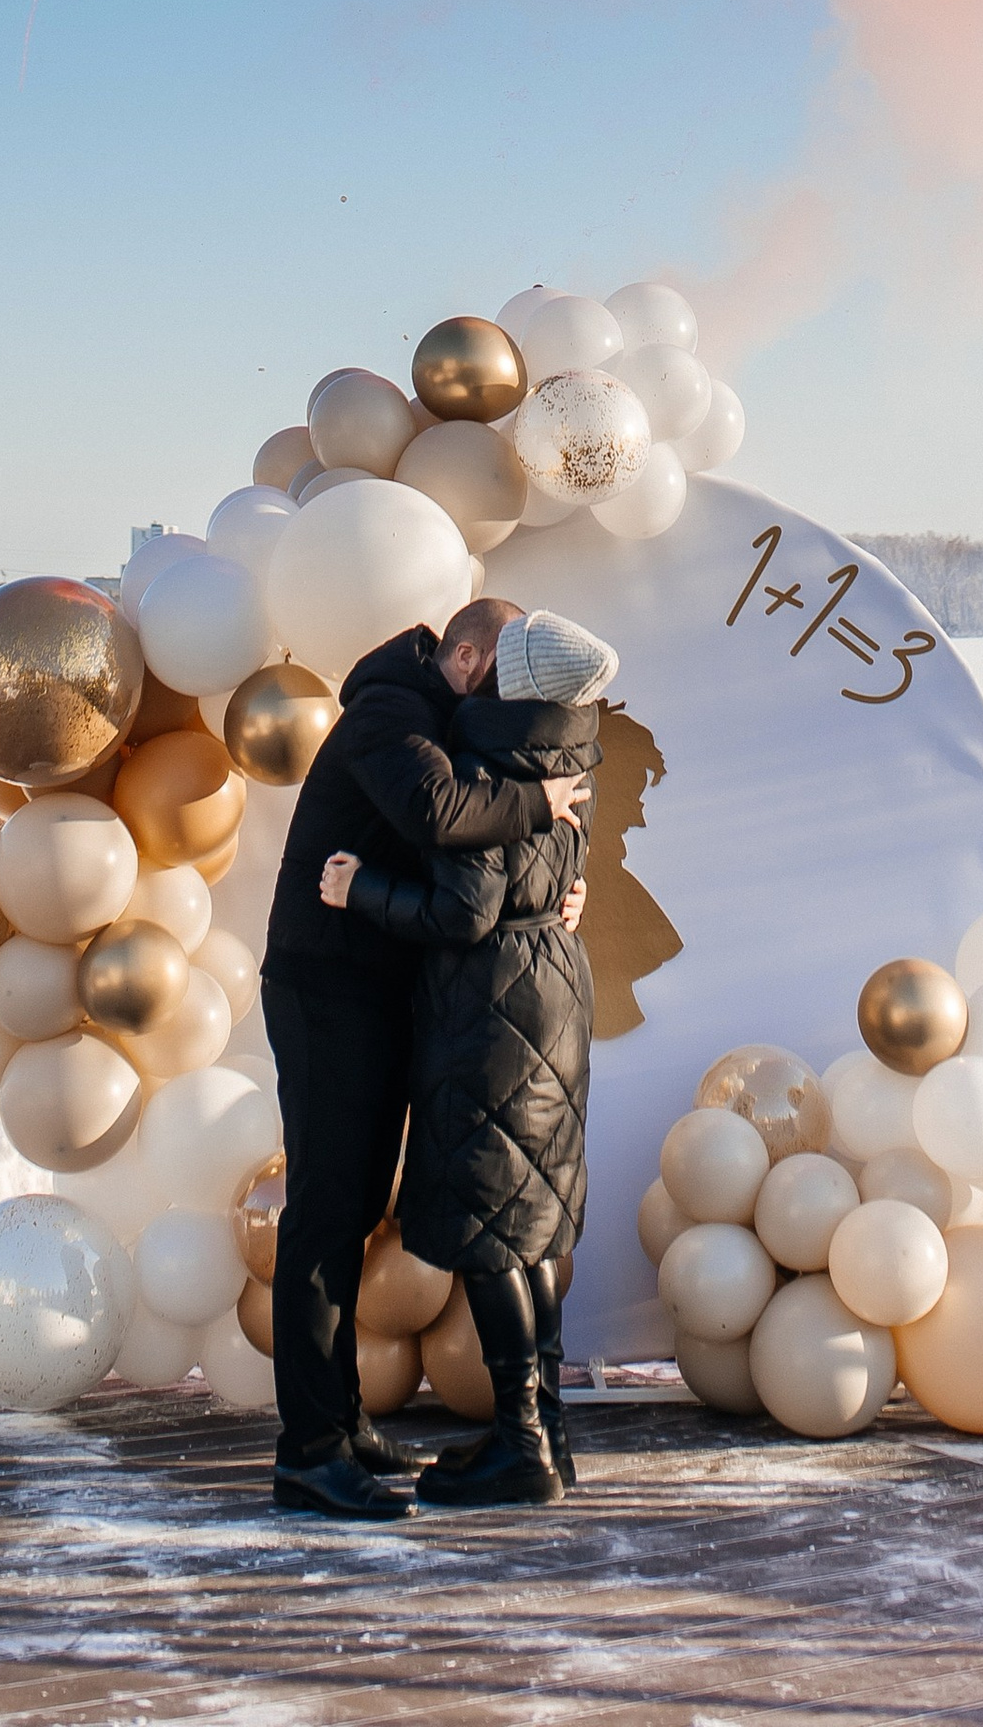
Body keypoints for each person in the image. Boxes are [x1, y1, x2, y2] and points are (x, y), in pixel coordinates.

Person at [259, 593, 585, 1522]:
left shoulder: (450, 720)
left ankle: (341, 1421)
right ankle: (310, 1455)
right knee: (325, 1215)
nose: (510, 693)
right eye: (503, 671)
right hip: (326, 988)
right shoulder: (391, 712)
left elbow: (480, 862)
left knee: (359, 1210)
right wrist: (539, 803)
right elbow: (441, 812)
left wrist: (566, 882)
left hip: (381, 988)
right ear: (471, 659)